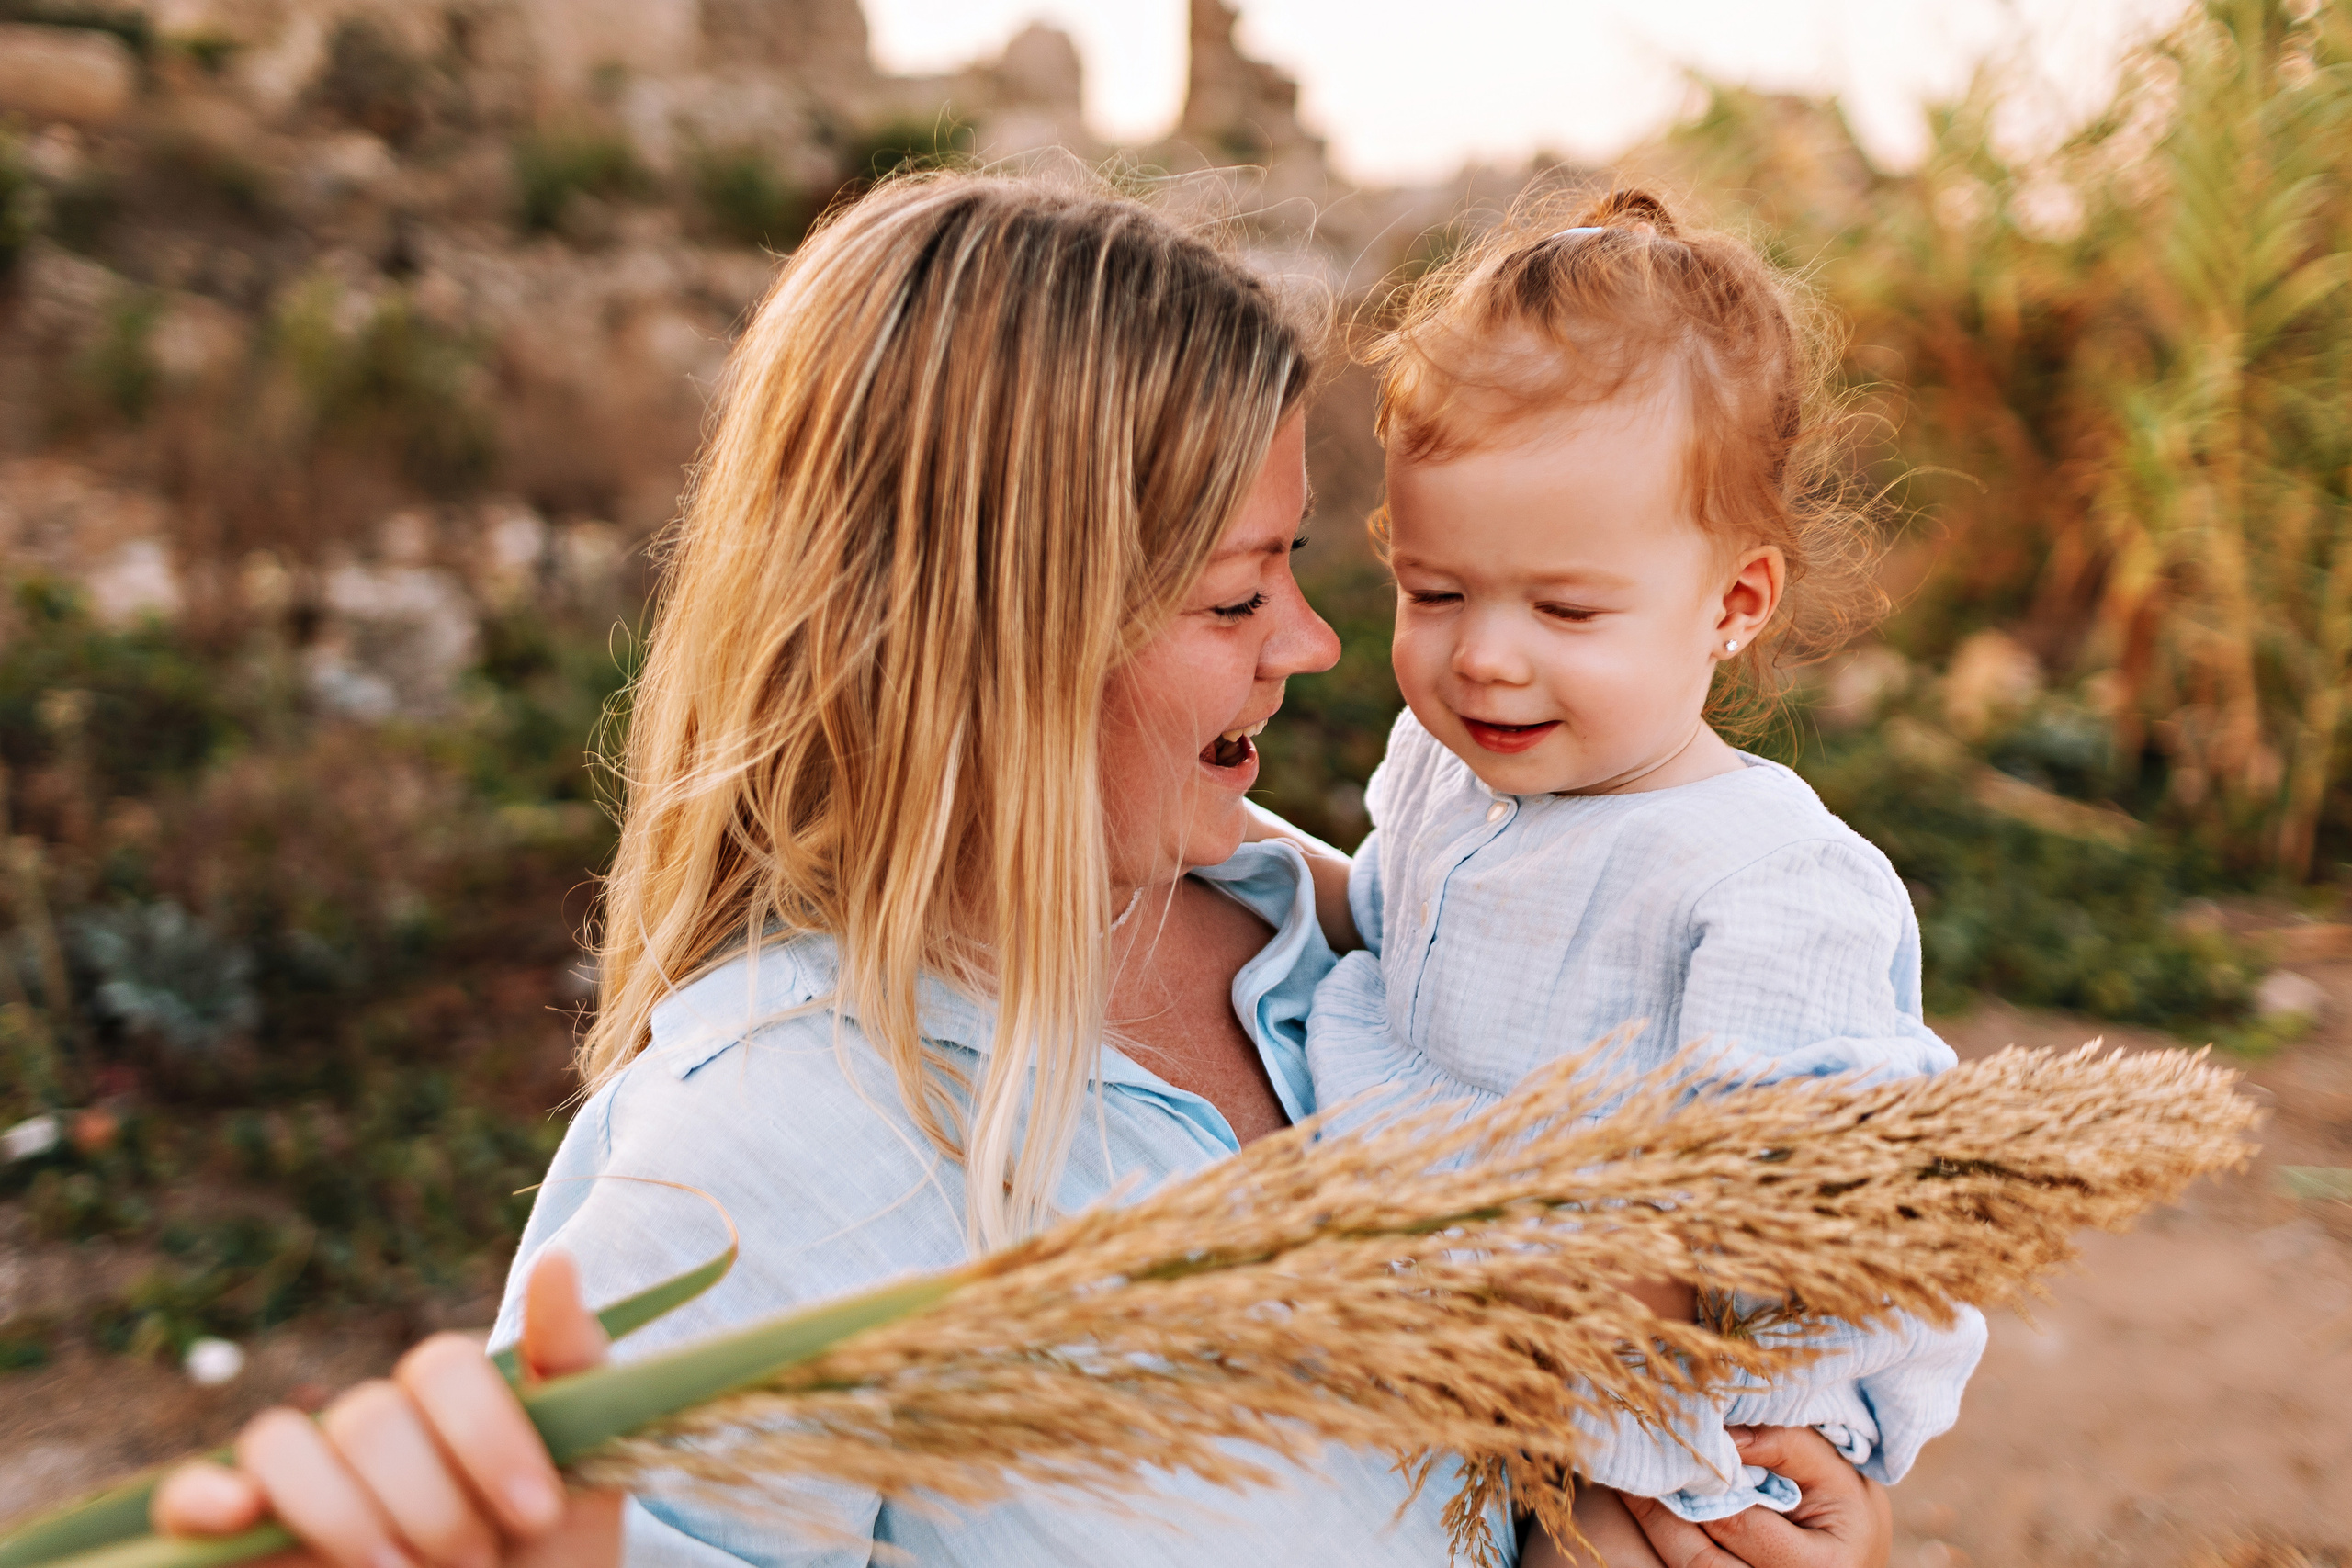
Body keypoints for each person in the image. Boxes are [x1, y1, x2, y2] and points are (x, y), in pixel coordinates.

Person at [153, 172, 1895, 1568]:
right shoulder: (780, 1143)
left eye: (1305, 567)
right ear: (1002, 635)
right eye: (1235, 595)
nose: (1314, 643)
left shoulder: (1334, 924)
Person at [1250, 188, 1984, 1568]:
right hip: (1413, 1326)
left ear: (1736, 603)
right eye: (1435, 591)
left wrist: (1677, 1422)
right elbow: (1388, 935)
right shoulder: (1442, 766)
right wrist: (1226, 832)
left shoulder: (1768, 880)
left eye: (1566, 609)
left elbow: (1797, 1224)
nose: (1485, 658)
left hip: (1631, 1399)